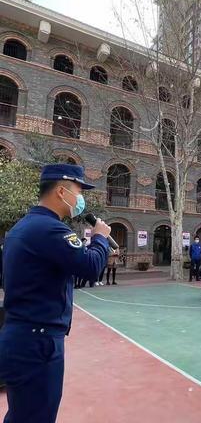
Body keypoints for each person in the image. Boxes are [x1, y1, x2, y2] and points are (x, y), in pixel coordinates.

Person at [0, 164, 110, 423]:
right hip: (38, 342)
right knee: (37, 416)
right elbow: (91, 267)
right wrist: (101, 238)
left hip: (21, 335)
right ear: (61, 192)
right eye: (78, 191)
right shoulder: (50, 230)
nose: (81, 198)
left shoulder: (23, 227)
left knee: (22, 415)